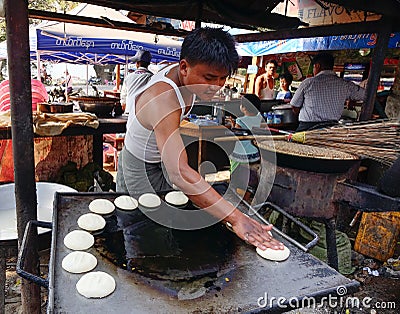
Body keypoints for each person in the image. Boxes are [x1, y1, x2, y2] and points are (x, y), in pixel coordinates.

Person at [116, 27, 284, 252]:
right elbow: (179, 172)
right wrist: (236, 218)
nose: (216, 86)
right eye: (209, 78)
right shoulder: (163, 98)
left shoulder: (184, 76)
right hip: (139, 164)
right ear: (184, 67)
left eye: (223, 78)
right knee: (141, 228)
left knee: (171, 217)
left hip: (159, 159)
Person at [290, 52, 366, 132]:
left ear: (317, 66)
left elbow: (294, 106)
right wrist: (352, 100)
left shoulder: (308, 83)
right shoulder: (345, 84)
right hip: (331, 130)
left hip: (307, 128)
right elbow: (366, 95)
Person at [229, 94, 263, 201]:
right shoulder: (260, 119)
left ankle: (234, 184)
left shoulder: (240, 120)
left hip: (242, 156)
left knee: (231, 157)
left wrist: (232, 124)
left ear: (243, 107)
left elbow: (236, 134)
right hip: (256, 154)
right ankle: (248, 190)